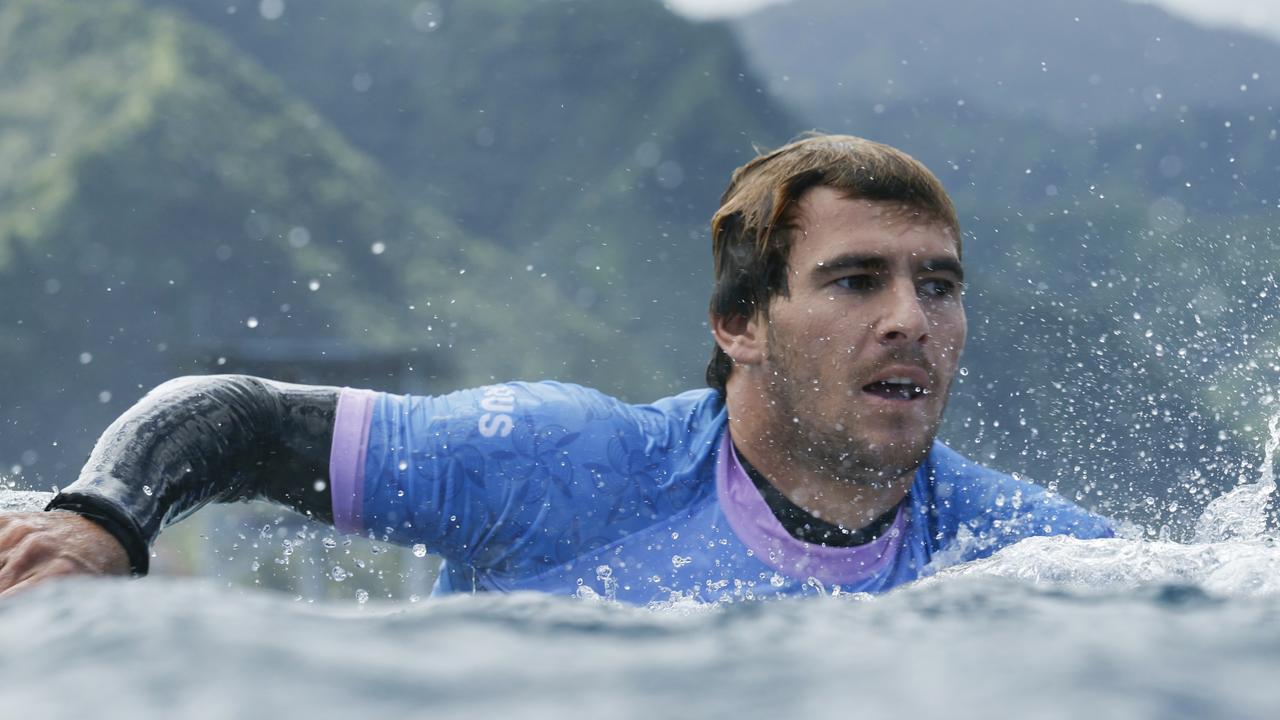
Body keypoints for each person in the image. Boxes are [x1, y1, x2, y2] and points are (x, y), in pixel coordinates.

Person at [0, 134, 1116, 602]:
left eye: (937, 285)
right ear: (738, 321)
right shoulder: (568, 466)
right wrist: (99, 523)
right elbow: (231, 415)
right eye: (853, 280)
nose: (909, 320)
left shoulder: (1012, 549)